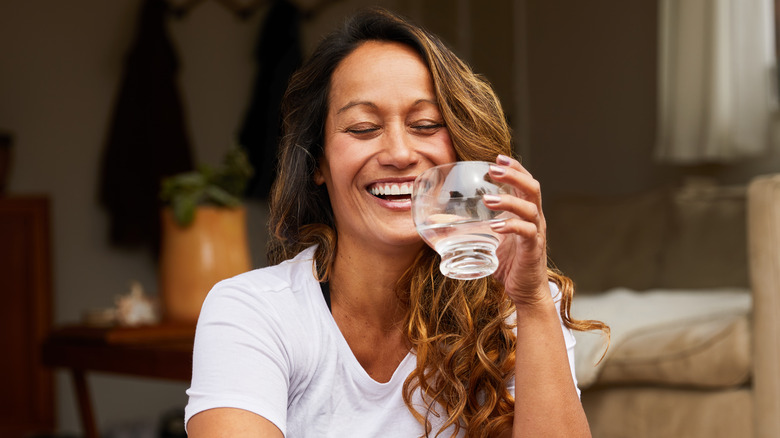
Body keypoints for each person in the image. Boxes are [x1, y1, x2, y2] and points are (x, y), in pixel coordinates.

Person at [185, 7, 606, 438]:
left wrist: (533, 304)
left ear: (460, 149)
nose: (400, 154)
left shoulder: (518, 304)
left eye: (425, 124)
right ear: (319, 162)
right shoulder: (255, 311)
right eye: (364, 128)